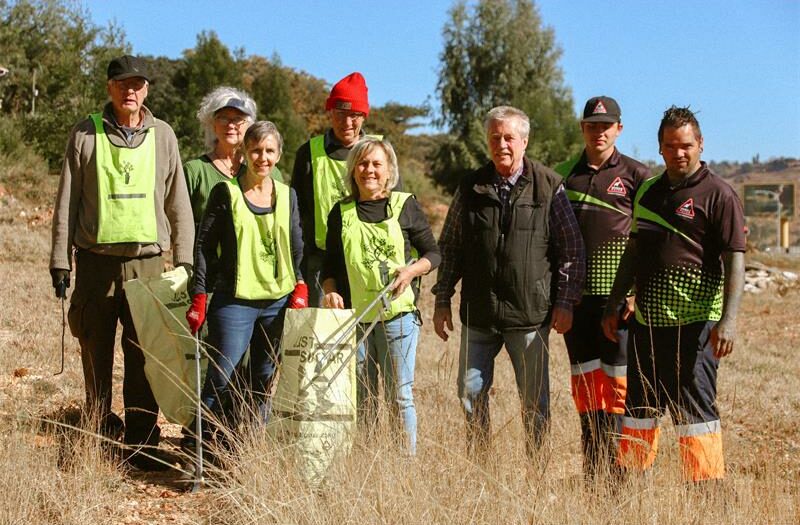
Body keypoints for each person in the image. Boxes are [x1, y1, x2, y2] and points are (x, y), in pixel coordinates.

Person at [49, 55, 195, 470]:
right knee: (95, 351)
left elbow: (178, 202)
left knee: (144, 354)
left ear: (147, 89)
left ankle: (142, 443)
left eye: (137, 84)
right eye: (121, 84)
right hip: (95, 264)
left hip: (148, 265)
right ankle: (97, 434)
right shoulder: (84, 134)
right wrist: (60, 260)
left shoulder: (164, 135)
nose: (130, 91)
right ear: (109, 88)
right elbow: (67, 201)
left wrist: (183, 260)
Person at [601, 106, 745, 483]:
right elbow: (632, 253)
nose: (679, 153)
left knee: (694, 411)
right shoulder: (648, 191)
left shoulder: (719, 194)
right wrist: (617, 301)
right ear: (660, 149)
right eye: (670, 146)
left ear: (700, 145)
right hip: (648, 321)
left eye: (686, 145)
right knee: (640, 406)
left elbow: (735, 260)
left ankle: (706, 492)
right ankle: (631, 485)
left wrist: (728, 320)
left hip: (696, 321)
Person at [433, 105, 586, 457]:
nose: (501, 144)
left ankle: (536, 470)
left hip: (529, 316)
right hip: (479, 312)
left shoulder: (548, 186)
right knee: (469, 393)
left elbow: (571, 249)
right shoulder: (471, 187)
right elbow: (452, 245)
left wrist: (564, 301)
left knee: (534, 403)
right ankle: (480, 467)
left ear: (525, 141)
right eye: (495, 137)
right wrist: (443, 298)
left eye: (509, 137)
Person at [186, 121, 307, 443]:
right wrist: (199, 294)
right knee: (221, 377)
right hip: (234, 301)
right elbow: (203, 246)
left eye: (269, 150)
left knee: (263, 381)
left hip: (277, 302)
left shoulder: (287, 195)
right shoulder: (225, 192)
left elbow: (296, 246)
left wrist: (300, 283)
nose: (262, 157)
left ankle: (249, 450)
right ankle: (198, 449)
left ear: (279, 154)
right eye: (255, 150)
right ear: (243, 152)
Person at [321, 137, 439, 456]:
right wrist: (330, 291)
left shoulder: (405, 205)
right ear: (353, 170)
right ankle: (372, 460)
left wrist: (411, 271)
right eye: (362, 163)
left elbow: (432, 254)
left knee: (399, 396)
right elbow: (329, 264)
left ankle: (405, 465)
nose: (369, 170)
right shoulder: (341, 212)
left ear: (389, 171)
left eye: (376, 164)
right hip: (357, 320)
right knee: (365, 395)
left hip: (398, 317)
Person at [554, 96, 651, 480]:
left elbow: (650, 240)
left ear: (619, 130)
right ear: (582, 128)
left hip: (619, 308)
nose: (599, 132)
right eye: (592, 125)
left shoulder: (637, 175)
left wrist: (633, 294)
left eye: (606, 125)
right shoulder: (562, 175)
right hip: (577, 304)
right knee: (588, 392)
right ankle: (594, 474)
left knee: (621, 392)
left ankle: (625, 476)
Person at [292, 72, 388, 306]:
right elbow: (295, 211)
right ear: (330, 112)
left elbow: (396, 206)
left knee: (367, 336)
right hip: (320, 263)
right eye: (340, 114)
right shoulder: (308, 152)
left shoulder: (381, 152)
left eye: (354, 115)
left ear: (364, 116)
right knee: (323, 336)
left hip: (369, 261)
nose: (347, 123)